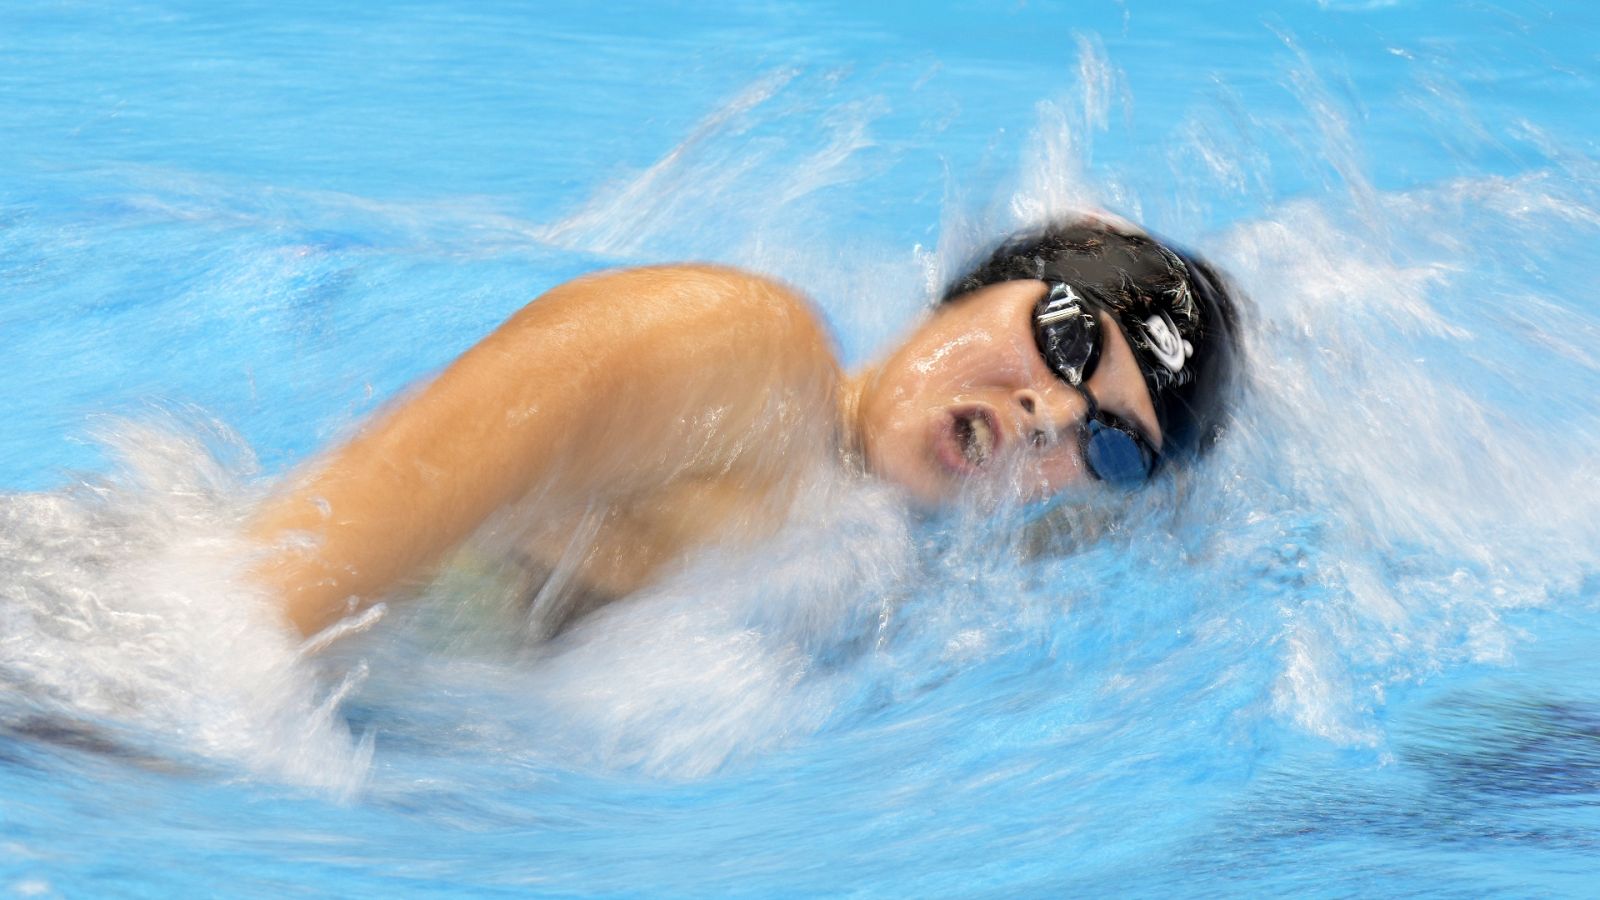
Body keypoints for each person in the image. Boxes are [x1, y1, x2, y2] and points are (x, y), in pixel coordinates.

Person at [248, 214, 1242, 637]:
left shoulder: (882, 551)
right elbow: (274, 582)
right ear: (983, 283)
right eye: (1067, 343)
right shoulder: (739, 357)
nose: (1050, 416)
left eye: (1106, 445)